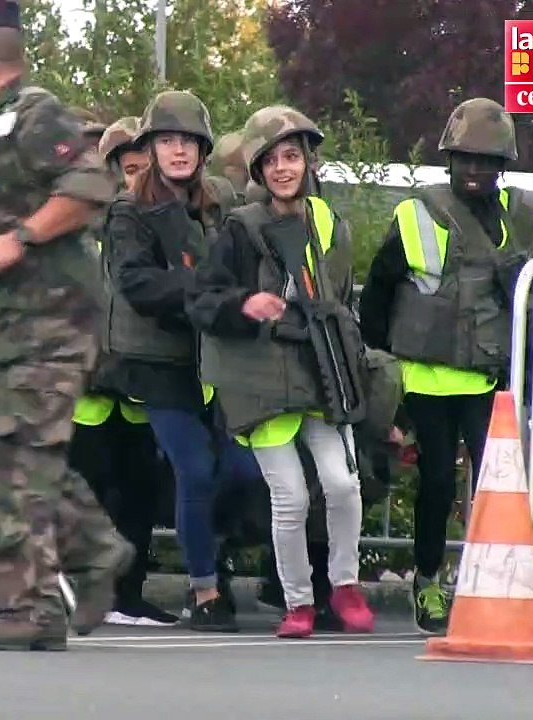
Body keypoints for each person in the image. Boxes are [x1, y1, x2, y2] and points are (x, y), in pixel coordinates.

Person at [0, 0, 132, 652]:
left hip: (51, 323)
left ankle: (30, 606)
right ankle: (93, 555)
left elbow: (90, 183)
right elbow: (23, 210)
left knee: (20, 462)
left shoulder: (36, 113)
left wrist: (16, 238)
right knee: (17, 455)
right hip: (12, 327)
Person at [358, 97, 533, 635]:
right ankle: (429, 581)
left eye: (486, 160)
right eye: (465, 159)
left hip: (493, 381)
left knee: (497, 489)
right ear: (449, 161)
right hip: (426, 380)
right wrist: (379, 370)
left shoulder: (528, 217)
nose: (476, 169)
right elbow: (379, 294)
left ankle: (499, 588)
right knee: (435, 484)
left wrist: (529, 274)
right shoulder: (415, 214)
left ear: (503, 166)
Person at [187, 104, 375, 638]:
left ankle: (344, 585)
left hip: (321, 373)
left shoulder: (330, 223)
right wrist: (244, 303)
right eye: (270, 161)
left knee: (342, 484)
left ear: (307, 162)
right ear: (257, 170)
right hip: (263, 384)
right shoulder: (240, 230)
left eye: (291, 157)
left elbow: (340, 302)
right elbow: (203, 299)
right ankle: (298, 603)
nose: (282, 169)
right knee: (289, 495)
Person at [104, 89, 262, 633]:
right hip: (155, 361)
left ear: (203, 149)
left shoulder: (217, 200)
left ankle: (213, 551)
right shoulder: (130, 208)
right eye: (166, 141)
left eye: (187, 141)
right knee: (195, 468)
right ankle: (204, 589)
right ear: (149, 148)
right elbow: (136, 283)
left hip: (214, 360)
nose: (177, 151)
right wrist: (209, 291)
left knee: (242, 469)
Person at [66, 115, 178, 627]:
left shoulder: (155, 222)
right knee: (82, 490)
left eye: (143, 168)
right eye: (129, 168)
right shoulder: (82, 223)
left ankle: (127, 596)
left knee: (137, 493)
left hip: (134, 387)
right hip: (88, 387)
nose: (136, 177)